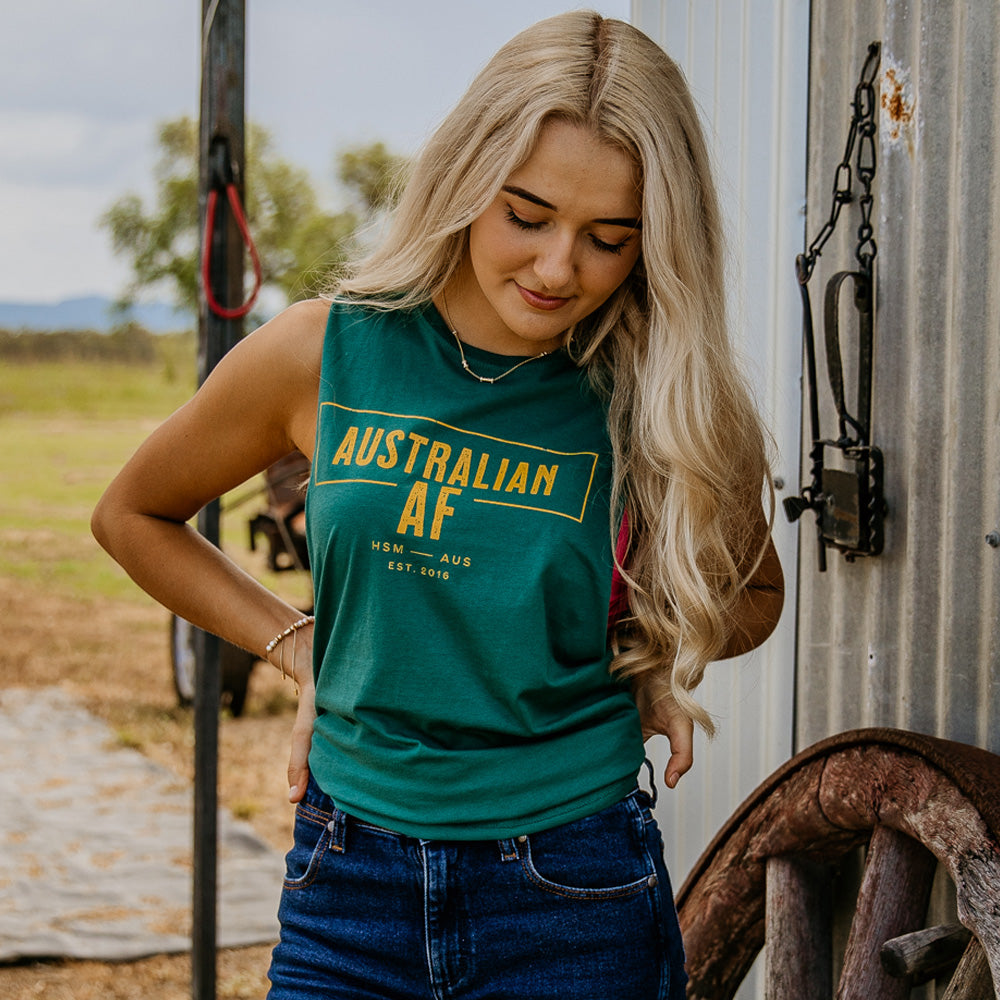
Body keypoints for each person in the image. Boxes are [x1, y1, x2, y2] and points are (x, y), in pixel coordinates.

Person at [93, 10, 783, 999]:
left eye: (607, 238)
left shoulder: (663, 394)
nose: (557, 269)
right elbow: (132, 515)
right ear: (463, 181)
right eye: (527, 215)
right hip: (347, 887)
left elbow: (753, 594)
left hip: (569, 891)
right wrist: (298, 648)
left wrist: (653, 647)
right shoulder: (324, 352)